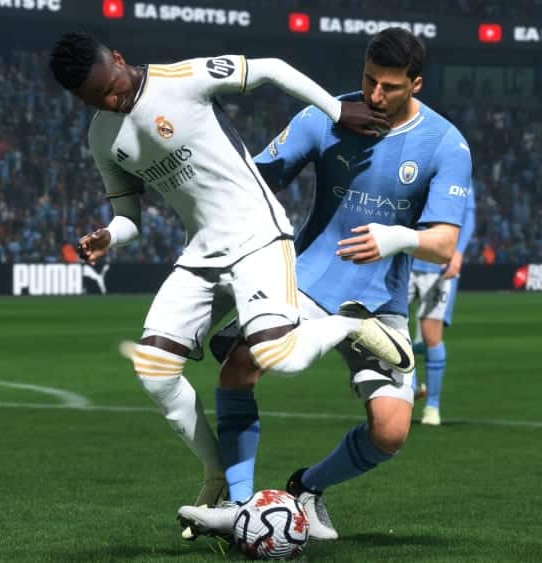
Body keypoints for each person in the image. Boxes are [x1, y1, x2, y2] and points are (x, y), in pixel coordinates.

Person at [47, 31, 414, 521]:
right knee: (153, 370)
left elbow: (272, 68)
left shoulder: (182, 79)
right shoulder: (102, 137)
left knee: (280, 357)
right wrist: (109, 237)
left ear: (118, 58)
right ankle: (217, 475)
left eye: (110, 87)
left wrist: (335, 110)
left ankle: (351, 324)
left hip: (258, 235)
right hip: (201, 253)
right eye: (95, 99)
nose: (110, 101)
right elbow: (129, 218)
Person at [177, 27, 472, 541]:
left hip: (378, 304)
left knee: (390, 432)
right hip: (308, 280)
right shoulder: (325, 116)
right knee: (241, 366)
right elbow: (256, 181)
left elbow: (445, 244)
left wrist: (397, 237)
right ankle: (240, 505)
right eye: (369, 80)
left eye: (389, 86)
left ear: (416, 84)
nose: (374, 95)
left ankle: (307, 488)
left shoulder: (446, 143)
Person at [408, 181, 476, 426]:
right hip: (404, 258)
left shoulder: (456, 167)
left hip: (437, 265)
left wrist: (457, 253)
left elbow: (468, 215)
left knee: (431, 336)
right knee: (390, 328)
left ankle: (432, 406)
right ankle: (412, 387)